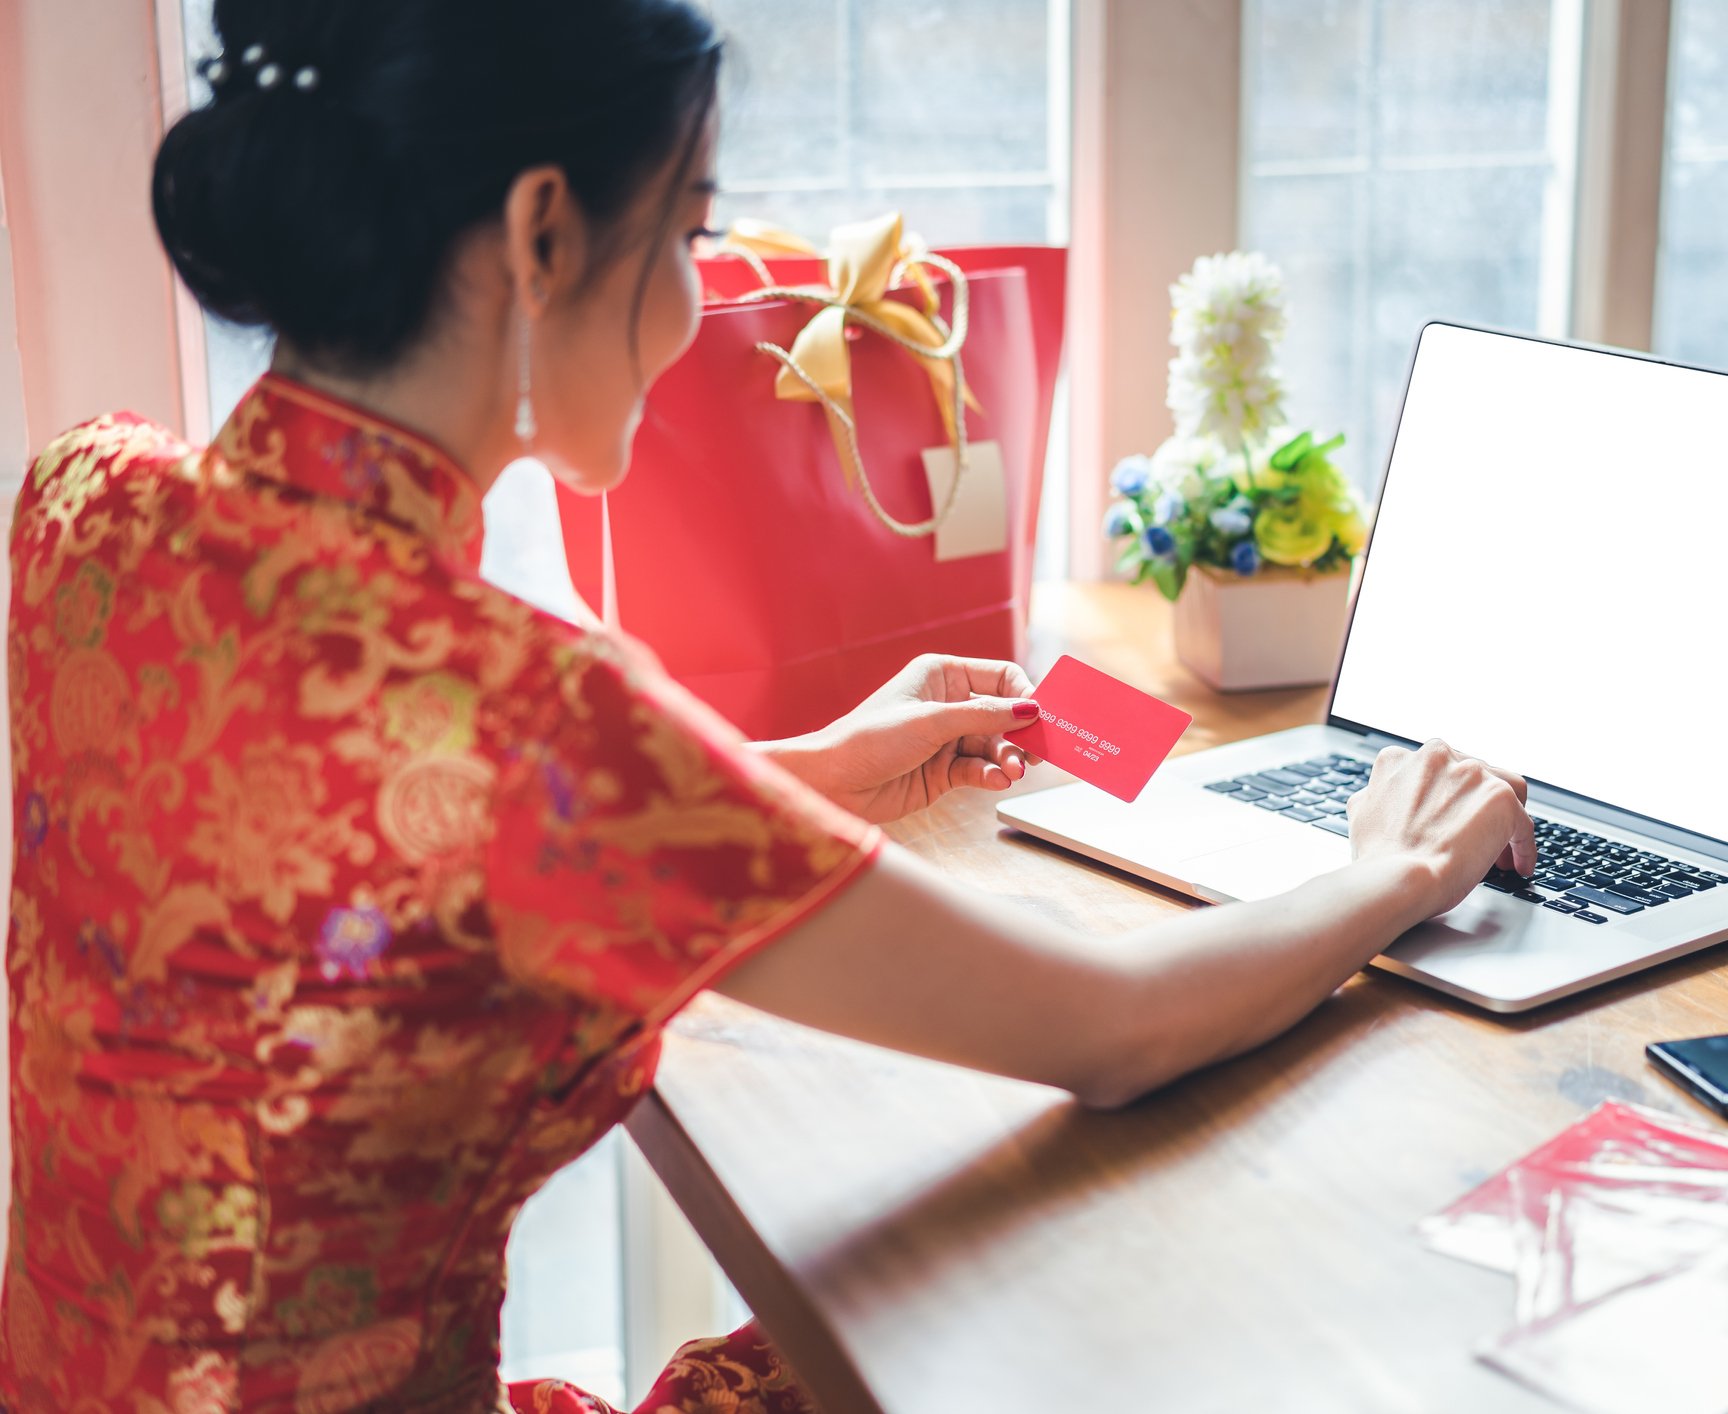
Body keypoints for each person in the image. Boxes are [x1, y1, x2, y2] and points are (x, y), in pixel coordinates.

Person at [0, 2, 1536, 1410]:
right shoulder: (537, 723)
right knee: (1024, 1318)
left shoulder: (90, 493)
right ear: (542, 231)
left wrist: (801, 767)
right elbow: (1115, 1029)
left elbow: (342, 859)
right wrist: (1391, 870)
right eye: (689, 229)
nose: (696, 295)